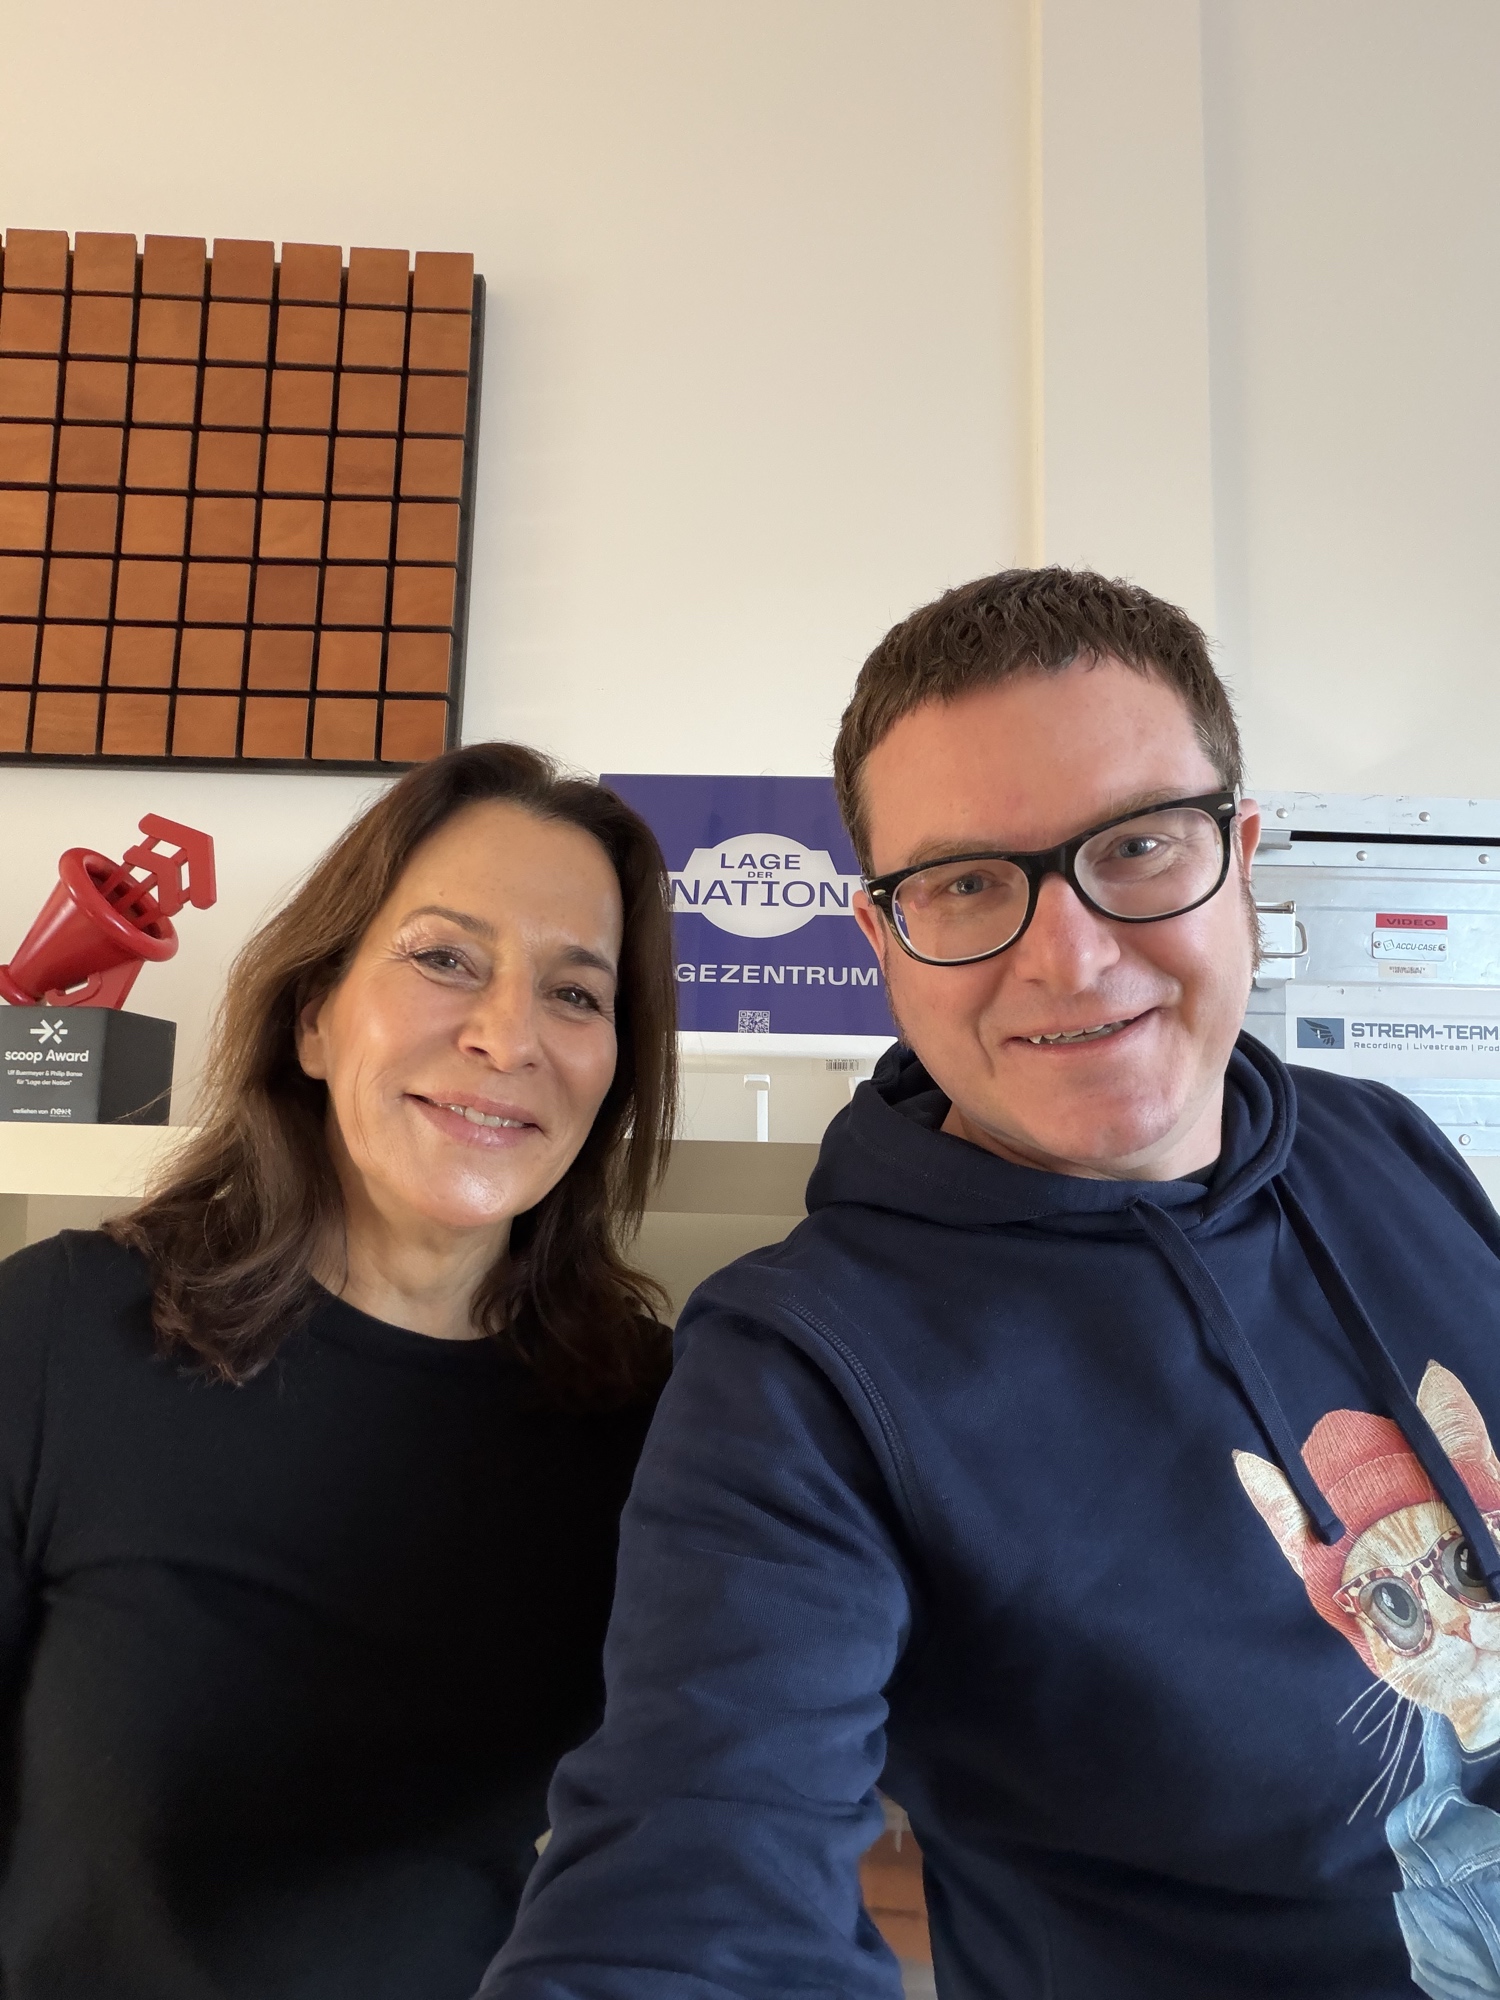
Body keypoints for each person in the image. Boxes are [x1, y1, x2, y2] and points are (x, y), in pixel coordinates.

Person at [477, 569, 1500, 2000]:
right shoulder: (801, 1371)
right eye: (964, 884)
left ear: (1240, 853)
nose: (1069, 956)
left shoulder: (1378, 1142)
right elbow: (695, 1880)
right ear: (879, 940)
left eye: (1136, 845)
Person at [0, 742, 677, 2000]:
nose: (507, 1034)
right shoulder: (57, 1335)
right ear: (313, 1016)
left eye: (577, 993)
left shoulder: (657, 1419)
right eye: (445, 958)